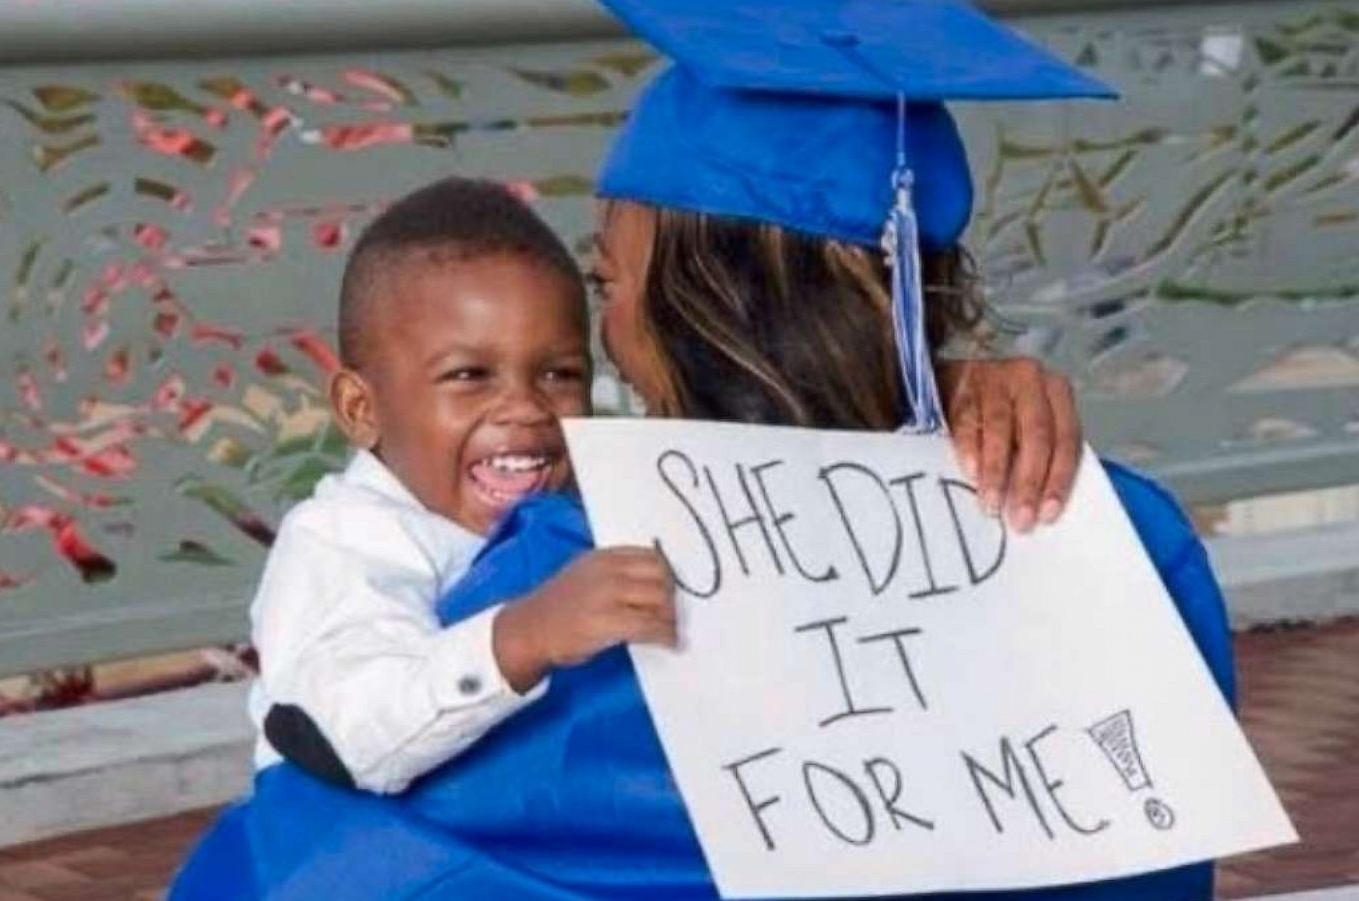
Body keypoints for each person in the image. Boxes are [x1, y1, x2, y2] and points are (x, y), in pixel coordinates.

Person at [170, 2, 1232, 897]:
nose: (606, 329)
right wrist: (937, 376)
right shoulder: (1122, 535)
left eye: (610, 283)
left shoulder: (578, 580)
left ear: (694, 304)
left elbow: (325, 858)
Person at [246, 176, 1079, 796]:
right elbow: (335, 730)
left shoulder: (587, 489)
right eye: (468, 375)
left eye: (561, 374)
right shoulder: (344, 544)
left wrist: (939, 386)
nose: (526, 410)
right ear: (360, 406)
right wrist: (523, 634)